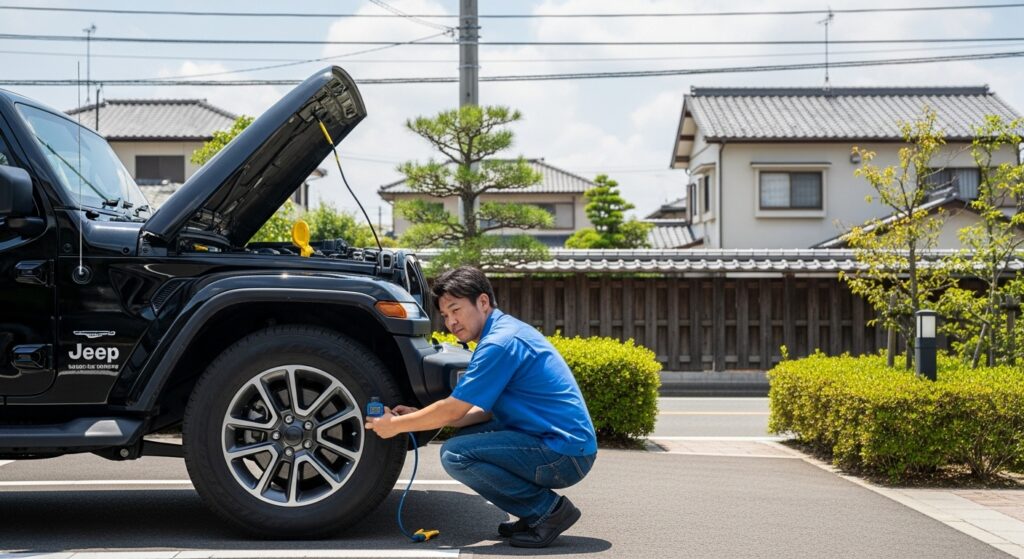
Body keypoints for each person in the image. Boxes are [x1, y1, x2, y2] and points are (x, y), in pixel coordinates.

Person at [364, 266, 598, 548]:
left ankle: (547, 512)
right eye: (446, 315)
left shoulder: (499, 344)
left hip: (563, 454)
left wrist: (396, 426)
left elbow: (454, 409)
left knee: (456, 455)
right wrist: (418, 417)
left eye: (456, 310)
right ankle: (533, 512)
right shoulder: (502, 332)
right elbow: (481, 411)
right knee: (465, 441)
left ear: (483, 302)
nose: (451, 322)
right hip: (561, 444)